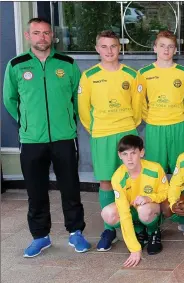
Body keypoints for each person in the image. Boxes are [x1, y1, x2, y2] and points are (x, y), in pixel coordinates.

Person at [3, 17, 89, 257]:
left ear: (52, 36)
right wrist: (28, 123)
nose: (42, 37)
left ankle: (76, 233)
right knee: (36, 190)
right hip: (32, 140)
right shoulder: (17, 65)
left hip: (64, 137)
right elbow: (10, 100)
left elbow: (77, 98)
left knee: (70, 188)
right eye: (37, 33)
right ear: (28, 36)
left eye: (46, 33)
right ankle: (40, 237)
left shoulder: (67, 64)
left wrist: (68, 121)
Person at [78, 30, 143, 252]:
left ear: (120, 48)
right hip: (102, 135)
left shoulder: (132, 75)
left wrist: (128, 126)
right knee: (106, 181)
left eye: (113, 46)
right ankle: (109, 228)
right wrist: (98, 129)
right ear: (97, 49)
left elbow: (138, 108)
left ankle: (135, 222)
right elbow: (84, 112)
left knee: (132, 178)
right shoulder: (89, 76)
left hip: (126, 132)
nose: (109, 51)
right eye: (104, 47)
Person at [104, 135, 168, 267]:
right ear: (119, 155)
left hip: (150, 208)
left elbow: (166, 192)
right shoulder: (117, 177)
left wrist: (149, 198)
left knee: (144, 210)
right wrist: (134, 249)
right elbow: (124, 212)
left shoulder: (155, 169)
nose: (129, 158)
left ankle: (153, 231)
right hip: (131, 210)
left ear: (142, 152)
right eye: (125, 154)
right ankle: (139, 231)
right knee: (108, 213)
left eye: (133, 153)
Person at [139, 30, 184, 175]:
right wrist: (148, 116)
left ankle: (179, 198)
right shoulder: (144, 73)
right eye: (162, 45)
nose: (166, 50)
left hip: (178, 125)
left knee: (181, 169)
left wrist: (180, 114)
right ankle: (155, 198)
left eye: (170, 46)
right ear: (155, 48)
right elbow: (140, 101)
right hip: (154, 126)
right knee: (155, 170)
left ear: (175, 50)